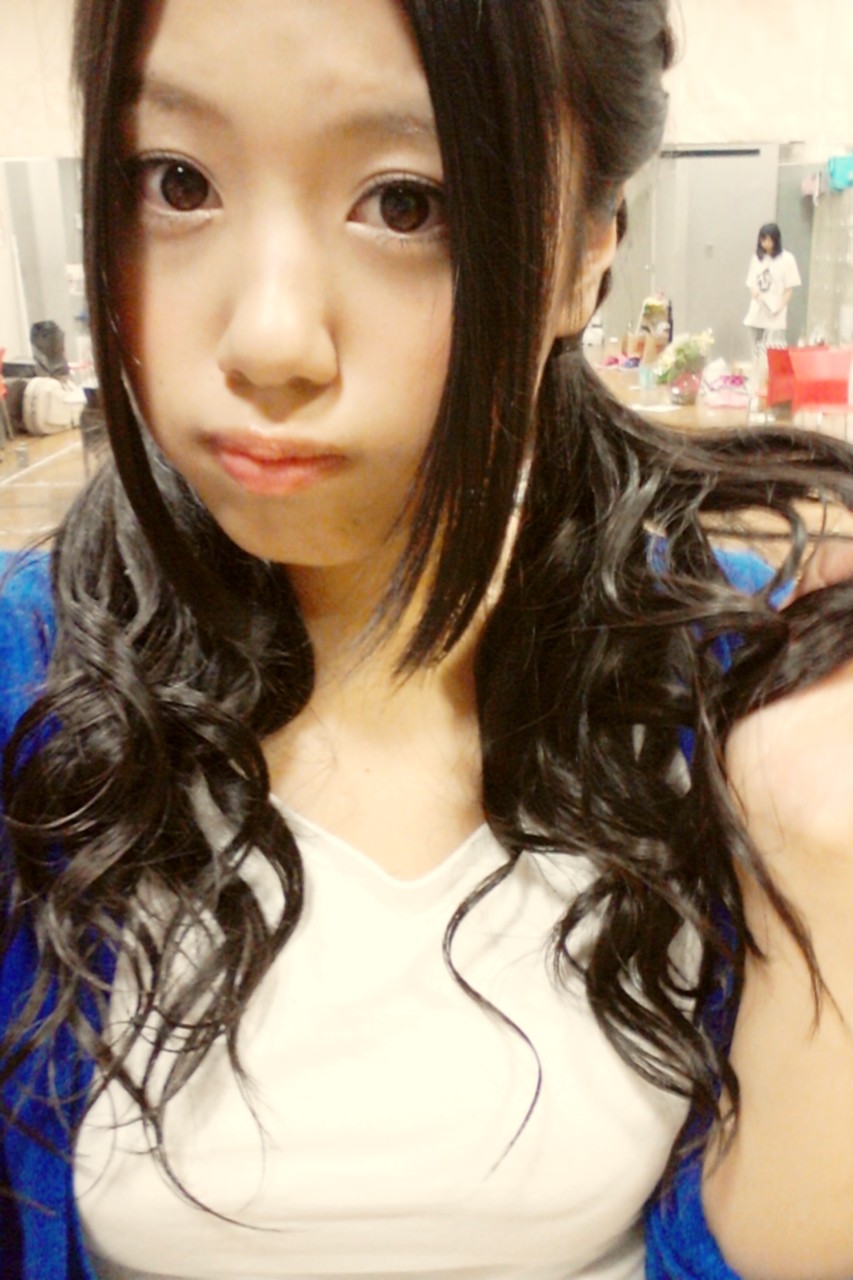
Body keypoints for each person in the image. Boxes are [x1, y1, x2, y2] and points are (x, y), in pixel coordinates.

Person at [1, 2, 853, 1278]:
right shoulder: (32, 685)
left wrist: (823, 870)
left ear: (585, 253)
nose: (268, 340)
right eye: (175, 182)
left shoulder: (739, 678)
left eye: (407, 204)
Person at [743, 221, 802, 361]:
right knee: (756, 353)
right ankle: (757, 372)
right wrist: (754, 293)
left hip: (775, 315)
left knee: (773, 353)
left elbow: (789, 288)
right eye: (763, 240)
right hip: (757, 313)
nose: (766, 244)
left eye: (770, 240)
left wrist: (778, 308)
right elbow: (751, 282)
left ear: (776, 240)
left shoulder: (787, 259)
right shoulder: (757, 258)